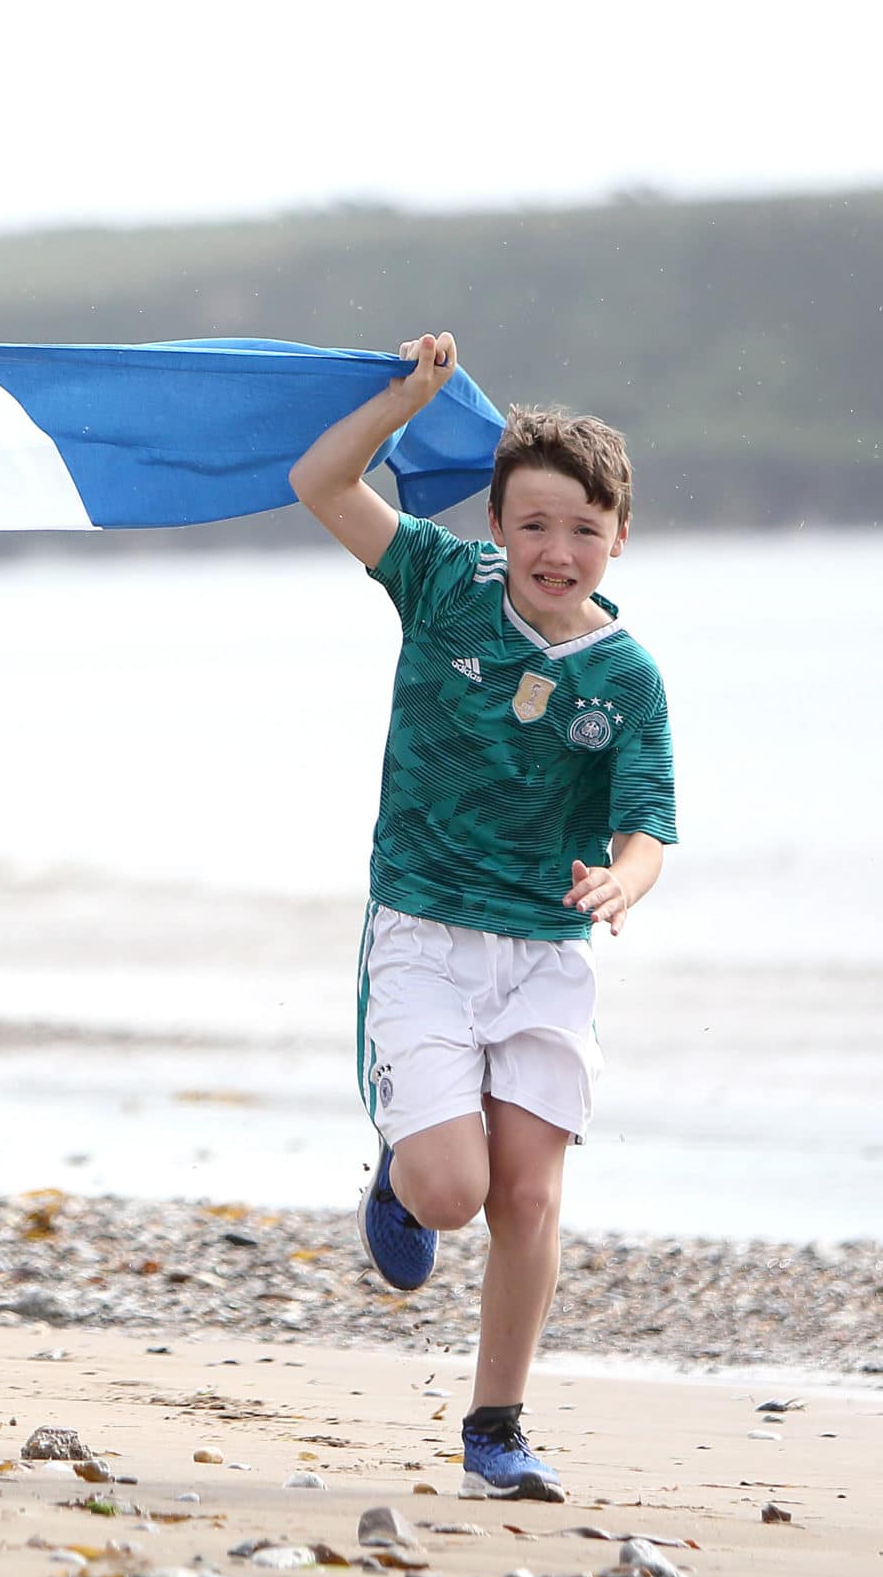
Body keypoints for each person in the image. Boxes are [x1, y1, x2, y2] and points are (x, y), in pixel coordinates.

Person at [288, 333, 675, 1501]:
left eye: (582, 529)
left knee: (527, 1195)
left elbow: (647, 825)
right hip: (423, 933)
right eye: (533, 525)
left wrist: (622, 879)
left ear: (617, 537)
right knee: (449, 1192)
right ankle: (399, 1162)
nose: (556, 551)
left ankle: (494, 1428)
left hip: (546, 955)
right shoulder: (441, 585)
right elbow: (321, 483)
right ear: (496, 526)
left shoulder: (627, 675)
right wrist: (404, 401)